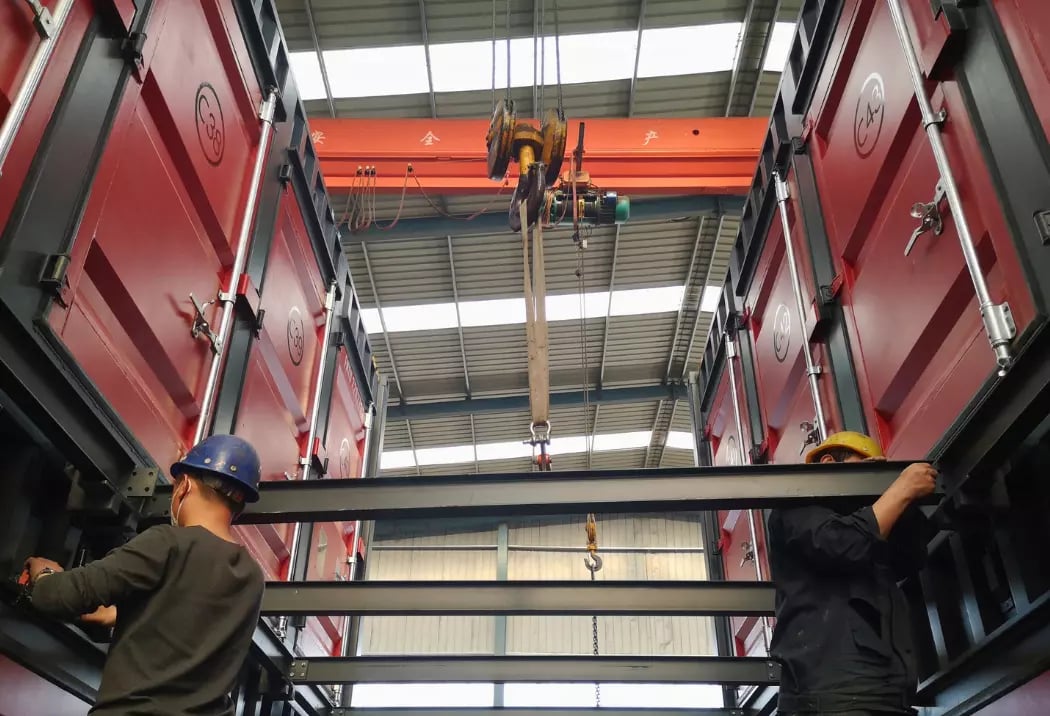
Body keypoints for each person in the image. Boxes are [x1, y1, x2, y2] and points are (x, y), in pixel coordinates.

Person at [23, 434, 266, 716]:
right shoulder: (252, 577)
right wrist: (124, 612)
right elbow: (194, 619)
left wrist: (44, 577)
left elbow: (63, 596)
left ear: (184, 485)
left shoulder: (168, 543)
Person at [767, 431, 938, 716]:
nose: (872, 483)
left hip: (882, 696)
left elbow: (908, 559)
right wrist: (900, 490)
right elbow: (842, 543)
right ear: (828, 462)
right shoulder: (796, 505)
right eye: (864, 469)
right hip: (834, 695)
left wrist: (897, 498)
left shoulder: (870, 531)